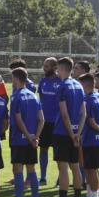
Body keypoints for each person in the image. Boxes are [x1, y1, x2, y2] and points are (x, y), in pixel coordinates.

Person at [46, 57, 86, 197]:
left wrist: (70, 134)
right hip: (75, 133)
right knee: (75, 167)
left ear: (61, 69)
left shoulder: (62, 86)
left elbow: (64, 114)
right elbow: (84, 113)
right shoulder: (79, 86)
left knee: (63, 168)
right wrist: (77, 133)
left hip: (63, 133)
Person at [6, 68, 44, 197]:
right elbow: (42, 119)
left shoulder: (16, 97)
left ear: (16, 79)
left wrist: (28, 136)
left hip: (19, 139)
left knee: (17, 170)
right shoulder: (34, 96)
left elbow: (18, 119)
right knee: (31, 169)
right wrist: (36, 137)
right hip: (32, 140)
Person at [38, 57, 62, 185]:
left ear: (54, 67)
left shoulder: (60, 82)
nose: (44, 68)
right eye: (44, 65)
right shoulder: (42, 81)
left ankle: (60, 177)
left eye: (47, 66)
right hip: (44, 122)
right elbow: (41, 99)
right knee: (43, 149)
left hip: (57, 122)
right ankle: (43, 177)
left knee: (57, 151)